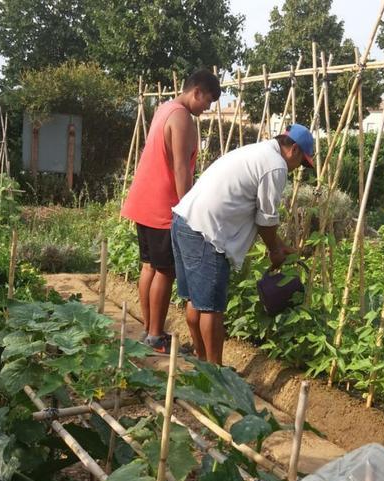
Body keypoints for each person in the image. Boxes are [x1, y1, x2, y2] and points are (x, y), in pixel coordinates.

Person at [170, 123, 314, 364]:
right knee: (211, 309)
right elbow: (266, 219)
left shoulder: (258, 152)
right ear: (295, 151)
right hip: (207, 233)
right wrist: (275, 251)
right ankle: (216, 375)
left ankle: (202, 361)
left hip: (185, 221)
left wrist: (278, 243)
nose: (297, 168)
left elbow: (259, 215)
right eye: (301, 163)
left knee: (196, 301)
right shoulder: (275, 166)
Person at [120, 69, 221, 353]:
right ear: (196, 92)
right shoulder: (182, 118)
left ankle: (151, 330)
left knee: (150, 266)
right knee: (165, 271)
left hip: (143, 199)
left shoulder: (164, 109)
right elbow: (180, 167)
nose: (207, 109)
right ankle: (155, 335)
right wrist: (188, 208)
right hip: (163, 205)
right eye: (208, 102)